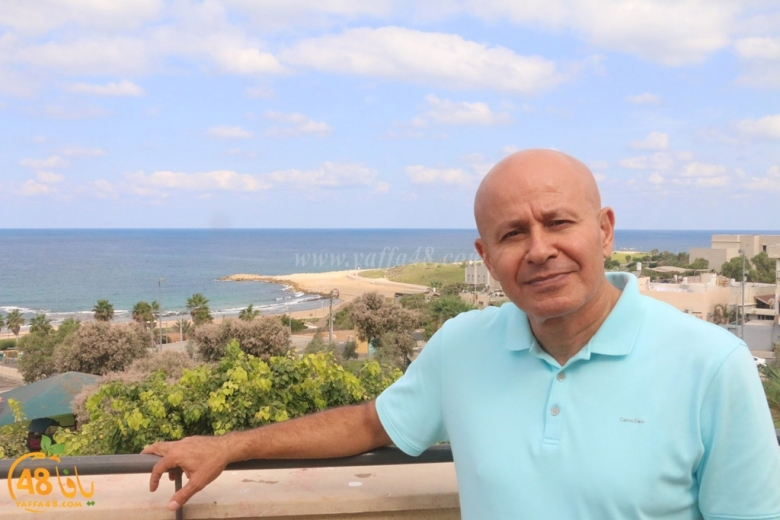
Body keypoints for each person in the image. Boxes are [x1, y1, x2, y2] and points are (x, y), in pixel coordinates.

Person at [144, 149, 780, 518]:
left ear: (605, 230)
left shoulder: (711, 364)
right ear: (486, 256)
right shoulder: (462, 344)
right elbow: (369, 423)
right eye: (512, 234)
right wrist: (229, 446)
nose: (539, 250)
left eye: (559, 222)